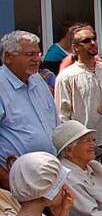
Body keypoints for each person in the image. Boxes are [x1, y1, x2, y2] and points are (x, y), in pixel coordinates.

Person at [54, 25, 102, 173]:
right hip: (82, 146)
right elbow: (62, 115)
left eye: (94, 39)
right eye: (86, 41)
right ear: (75, 47)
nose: (92, 43)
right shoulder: (67, 76)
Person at [0, 30, 59, 159]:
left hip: (50, 169)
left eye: (38, 54)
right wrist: (6, 178)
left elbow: (55, 122)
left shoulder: (37, 79)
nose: (37, 59)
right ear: (9, 57)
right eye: (30, 54)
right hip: (16, 174)